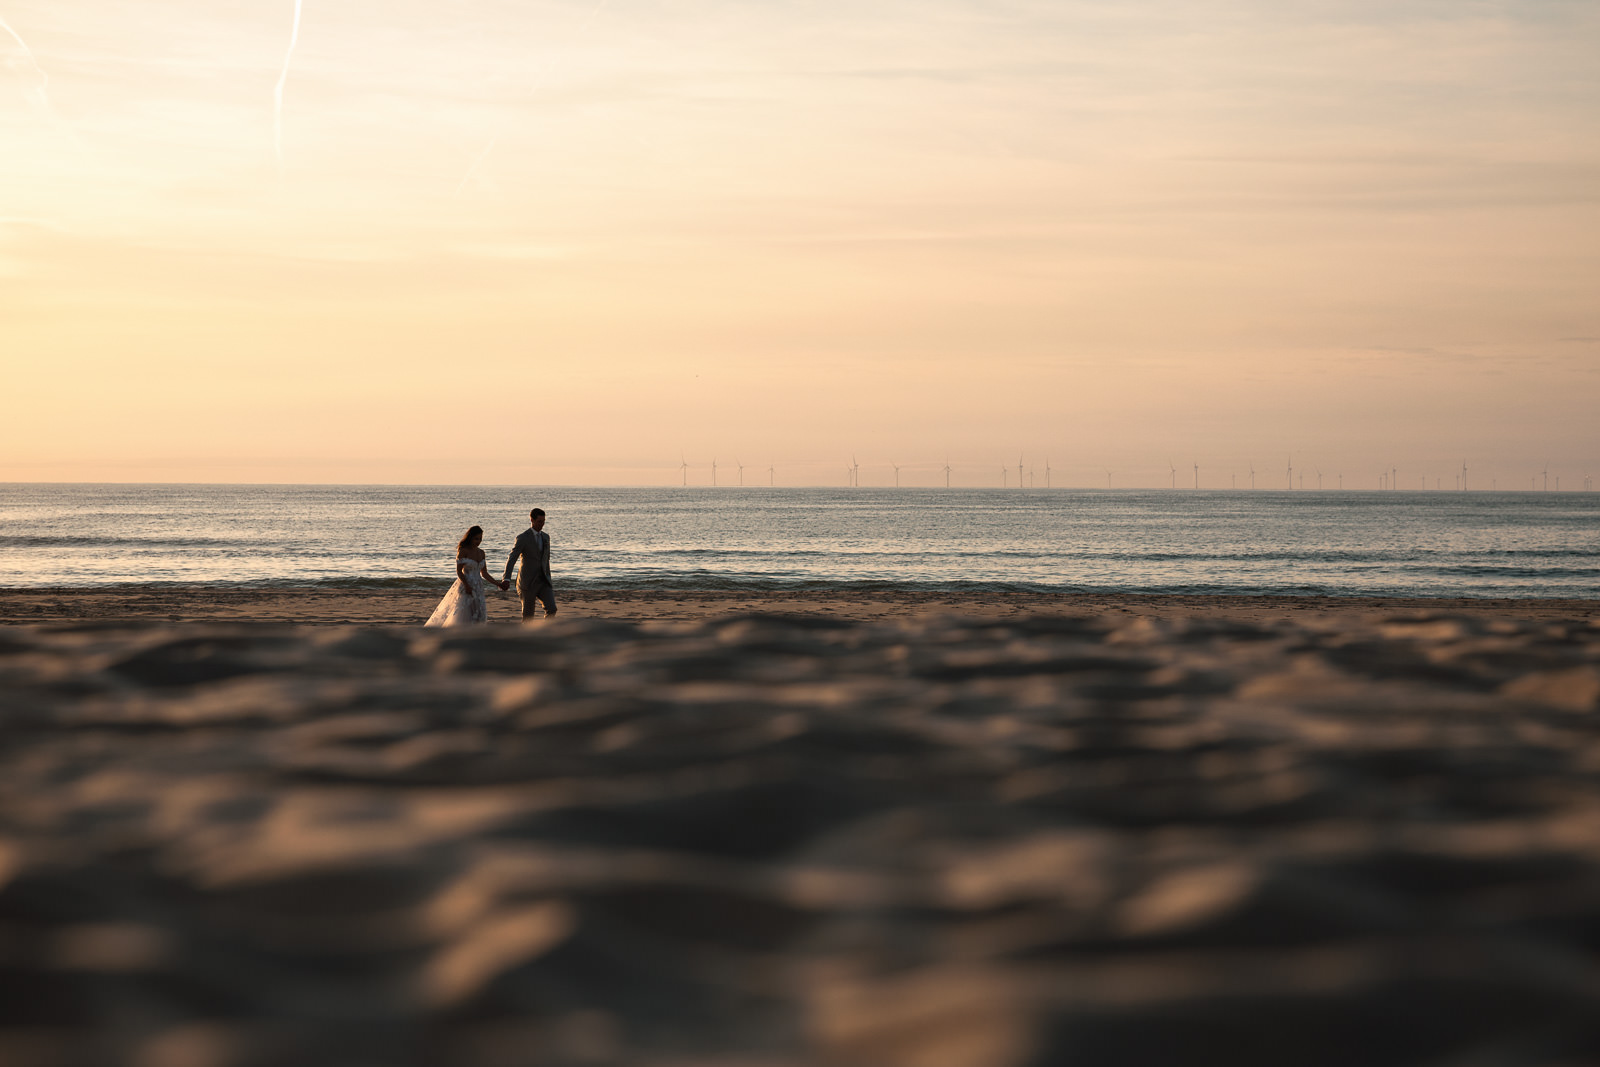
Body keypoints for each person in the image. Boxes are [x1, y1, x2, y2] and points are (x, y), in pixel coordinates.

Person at [424, 525, 509, 627]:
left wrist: (497, 583)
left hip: (478, 586)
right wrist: (466, 585)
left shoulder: (481, 553)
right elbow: (459, 571)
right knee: (465, 613)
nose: (478, 541)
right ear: (470, 537)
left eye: (480, 539)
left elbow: (484, 573)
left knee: (479, 612)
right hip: (465, 584)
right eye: (476, 539)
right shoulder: (463, 550)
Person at [503, 507, 557, 621]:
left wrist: (548, 578)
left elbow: (546, 560)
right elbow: (512, 558)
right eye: (539, 521)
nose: (541, 524)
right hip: (527, 582)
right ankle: (527, 637)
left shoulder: (546, 537)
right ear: (531, 520)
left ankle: (545, 633)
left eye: (543, 522)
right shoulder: (523, 538)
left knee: (552, 609)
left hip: (543, 581)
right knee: (528, 616)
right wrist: (506, 578)